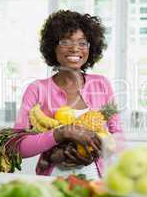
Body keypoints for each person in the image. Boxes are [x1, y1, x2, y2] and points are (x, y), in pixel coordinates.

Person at [13, 10, 122, 179]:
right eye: (65, 41)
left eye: (82, 43)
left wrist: (96, 150)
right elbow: (18, 147)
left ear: (90, 48)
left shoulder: (102, 84)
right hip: (52, 181)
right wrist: (63, 133)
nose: (74, 48)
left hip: (96, 181)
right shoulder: (36, 89)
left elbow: (118, 137)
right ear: (52, 47)